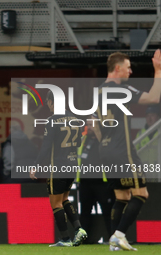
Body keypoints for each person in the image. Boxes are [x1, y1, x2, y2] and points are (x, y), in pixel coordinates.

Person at [93, 50, 161, 251]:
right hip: (122, 150)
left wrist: (106, 142)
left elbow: (95, 125)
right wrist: (158, 70)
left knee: (122, 196)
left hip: (105, 150)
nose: (130, 71)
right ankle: (119, 235)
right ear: (117, 68)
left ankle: (114, 244)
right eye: (128, 67)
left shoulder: (98, 92)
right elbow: (153, 98)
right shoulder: (119, 90)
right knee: (141, 193)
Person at [30, 90, 87, 247]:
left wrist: (35, 165)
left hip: (58, 166)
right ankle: (79, 228)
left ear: (50, 101)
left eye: (48, 102)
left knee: (56, 203)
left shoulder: (52, 120)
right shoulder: (75, 119)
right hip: (72, 164)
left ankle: (65, 239)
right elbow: (78, 142)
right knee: (64, 199)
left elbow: (46, 146)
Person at [77, 119, 115, 243]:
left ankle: (114, 238)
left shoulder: (105, 139)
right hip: (84, 181)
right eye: (87, 124)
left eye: (92, 124)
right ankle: (83, 240)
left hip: (102, 182)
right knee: (84, 212)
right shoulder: (83, 139)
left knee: (108, 212)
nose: (89, 127)